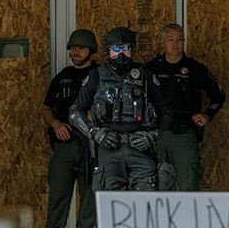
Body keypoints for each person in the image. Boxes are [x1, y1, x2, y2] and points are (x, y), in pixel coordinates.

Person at [68, 26, 171, 191]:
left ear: (133, 50)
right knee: (111, 205)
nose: (121, 54)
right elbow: (74, 113)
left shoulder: (145, 74)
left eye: (125, 49)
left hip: (140, 147)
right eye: (116, 49)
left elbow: (166, 111)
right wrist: (95, 132)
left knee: (146, 203)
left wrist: (152, 135)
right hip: (109, 147)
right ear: (108, 51)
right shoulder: (96, 76)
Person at [29, 29, 99, 228]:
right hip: (65, 143)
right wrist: (56, 124)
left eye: (81, 48)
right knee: (58, 194)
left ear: (91, 51)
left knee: (89, 196)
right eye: (72, 48)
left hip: (91, 144)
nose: (76, 51)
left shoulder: (101, 75)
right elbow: (45, 107)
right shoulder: (63, 76)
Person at [146, 23, 225, 191]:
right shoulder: (151, 68)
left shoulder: (195, 68)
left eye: (180, 40)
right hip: (156, 132)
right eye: (171, 40)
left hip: (184, 132)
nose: (175, 44)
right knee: (154, 182)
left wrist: (207, 115)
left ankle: (186, 217)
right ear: (163, 42)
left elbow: (218, 96)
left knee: (188, 181)